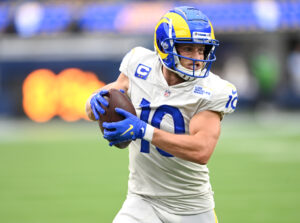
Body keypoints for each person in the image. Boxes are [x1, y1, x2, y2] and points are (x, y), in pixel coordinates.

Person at [86, 6, 238, 223]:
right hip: (142, 199)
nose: (197, 58)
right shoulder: (140, 64)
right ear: (166, 47)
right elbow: (102, 102)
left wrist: (143, 130)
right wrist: (93, 102)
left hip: (191, 206)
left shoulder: (212, 89)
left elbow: (202, 150)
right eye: (188, 49)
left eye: (202, 50)